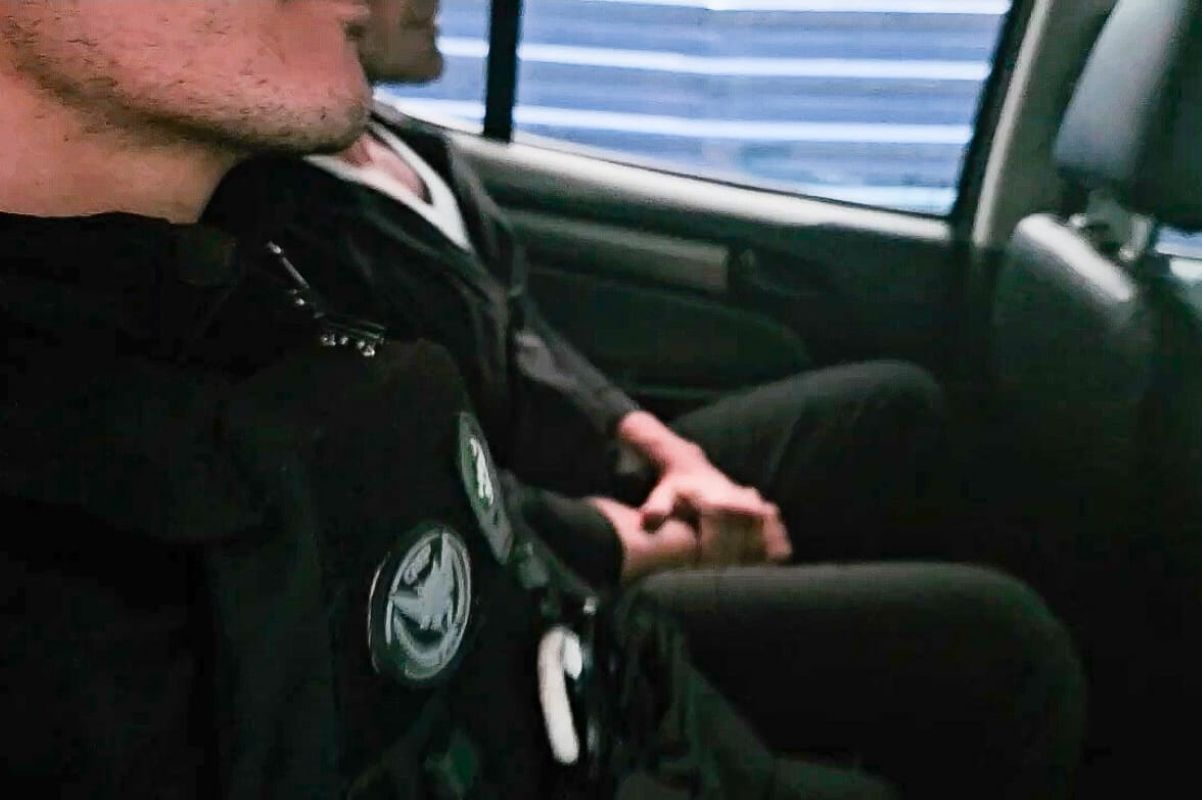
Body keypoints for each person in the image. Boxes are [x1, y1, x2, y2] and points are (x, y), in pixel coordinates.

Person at [203, 3, 1087, 798]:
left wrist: (673, 456)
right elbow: (415, 499)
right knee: (1006, 647)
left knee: (893, 410)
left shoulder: (407, 143)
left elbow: (529, 333)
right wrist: (649, 543)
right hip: (530, 563)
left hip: (567, 473)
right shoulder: (279, 224)